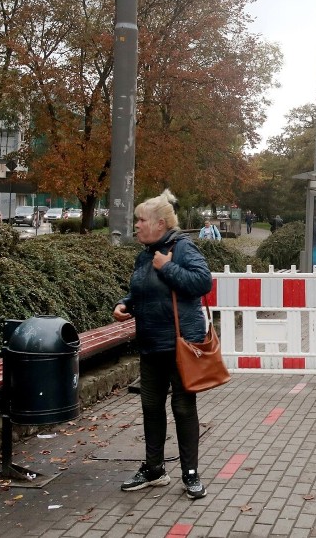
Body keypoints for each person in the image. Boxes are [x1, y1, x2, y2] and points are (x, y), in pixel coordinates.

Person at [113, 190, 212, 500]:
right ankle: (154, 469)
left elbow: (203, 282)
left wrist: (167, 267)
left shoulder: (182, 248)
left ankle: (191, 473)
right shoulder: (145, 253)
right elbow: (144, 290)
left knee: (183, 407)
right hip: (151, 343)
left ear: (159, 223)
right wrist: (125, 303)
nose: (136, 226)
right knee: (150, 407)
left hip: (180, 345)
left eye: (141, 220)